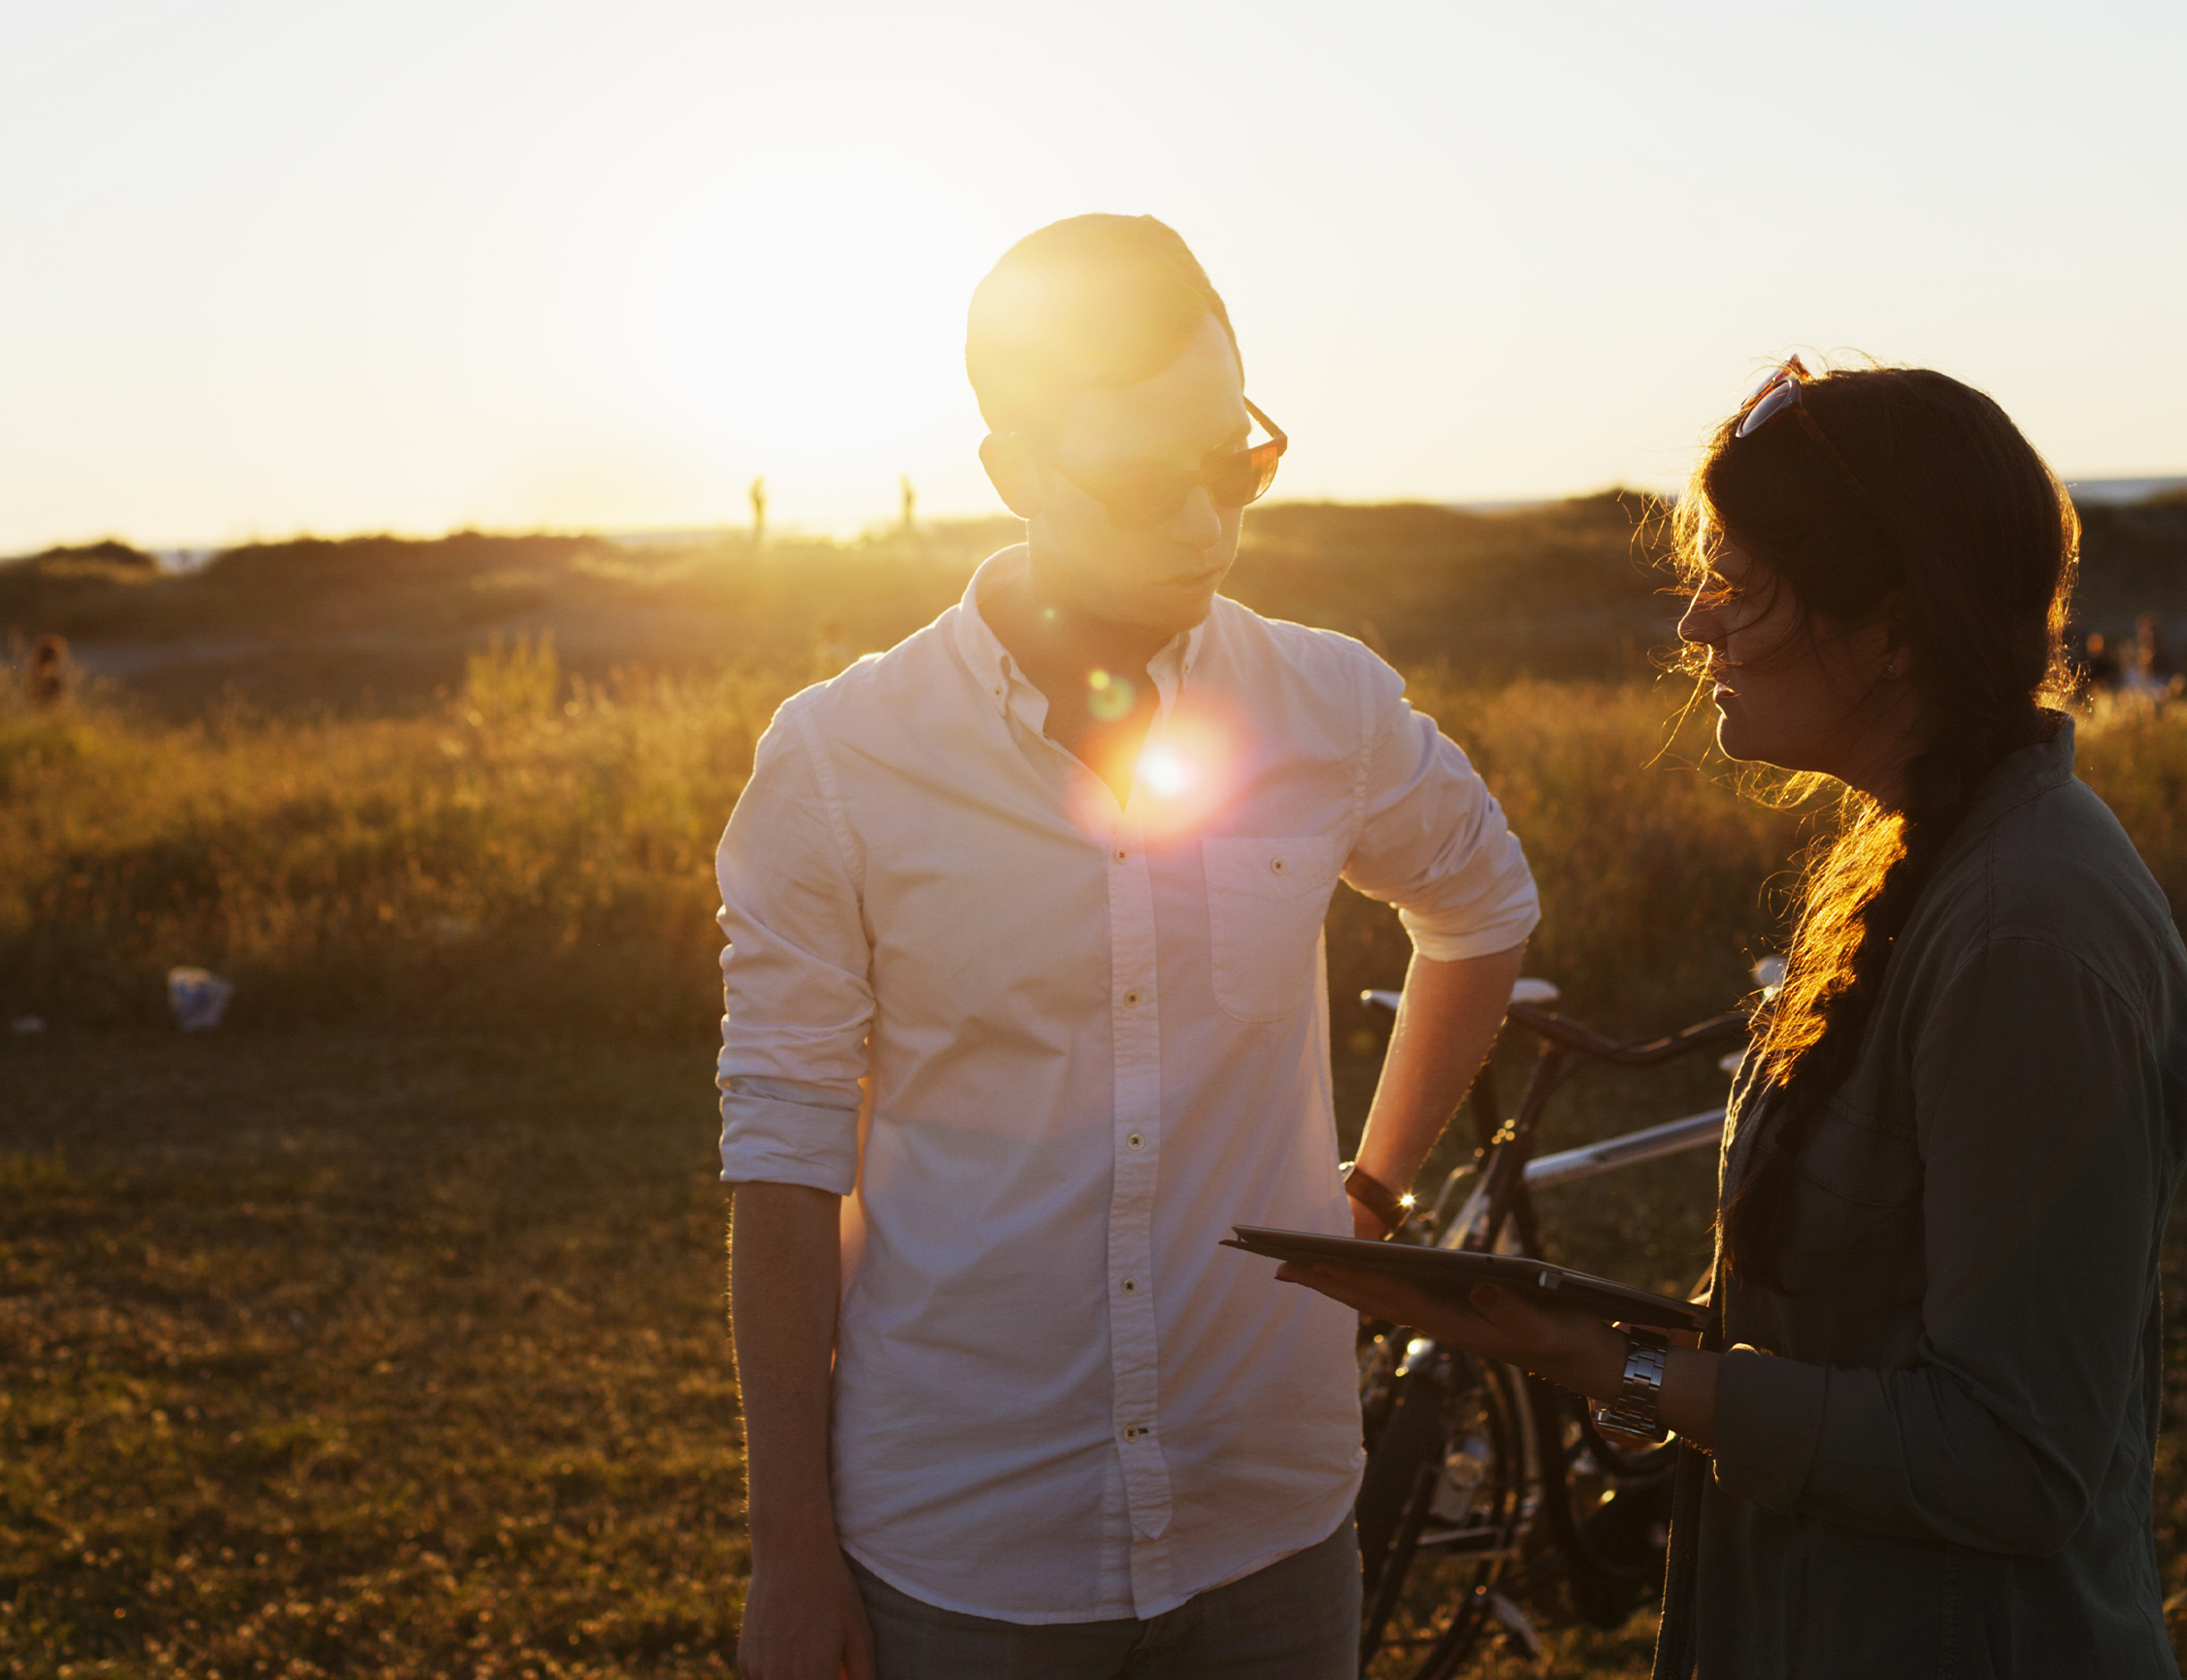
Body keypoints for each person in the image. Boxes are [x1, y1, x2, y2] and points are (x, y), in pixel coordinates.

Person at [717, 214, 1541, 1680]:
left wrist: (1371, 1193)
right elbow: (782, 1161)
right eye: (1144, 482)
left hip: (1271, 1511)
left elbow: (1480, 905)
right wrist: (790, 1551)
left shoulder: (1324, 702)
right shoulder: (840, 760)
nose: (1204, 528)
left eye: (1235, 466)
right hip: (968, 1539)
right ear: (1011, 473)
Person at [1282, 359, 2187, 1679]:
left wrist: (1616, 1367)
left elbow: (2008, 1457)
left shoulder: (2021, 932)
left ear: (1889, 622)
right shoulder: (1924, 849)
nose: (1693, 624)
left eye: (1736, 581)